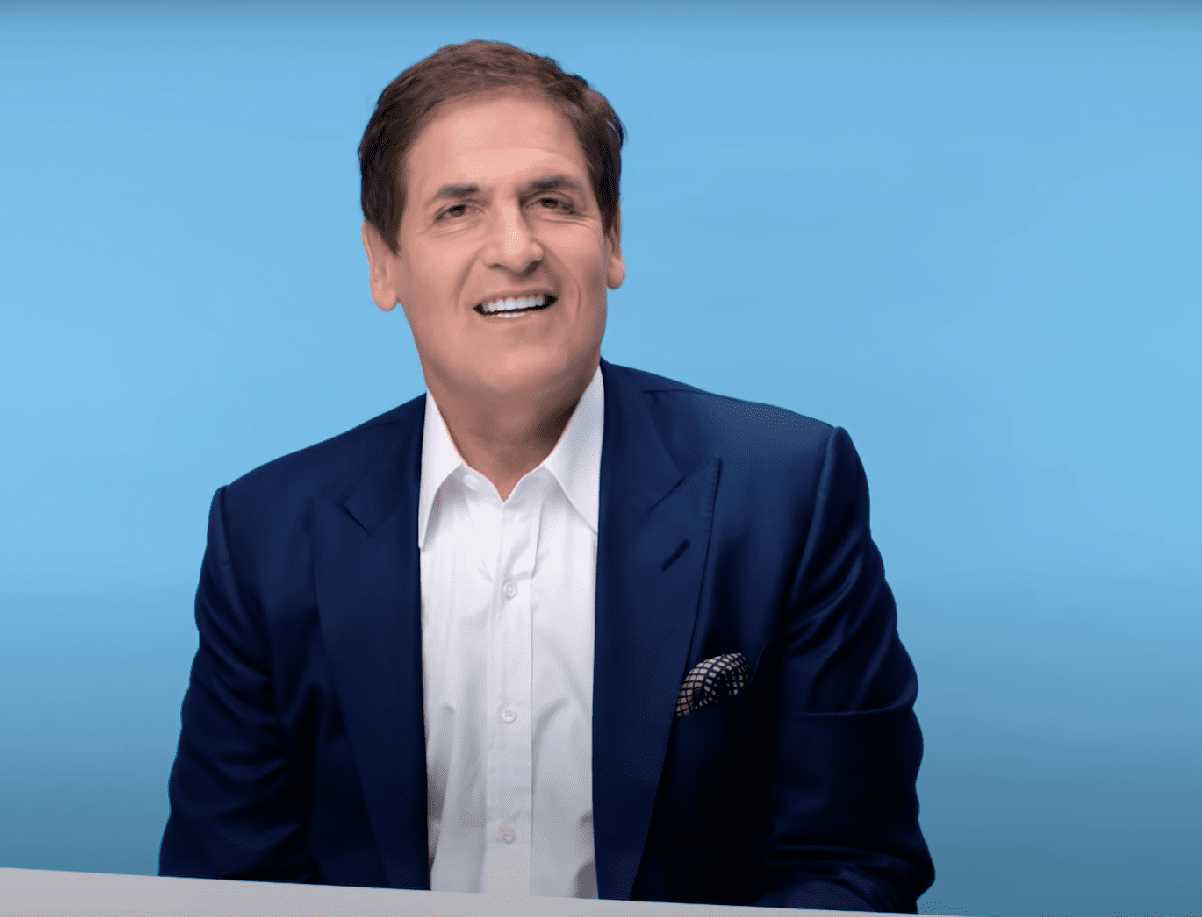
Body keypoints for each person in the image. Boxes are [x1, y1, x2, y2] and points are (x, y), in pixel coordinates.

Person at [158, 39, 934, 912]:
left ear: (612, 240)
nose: (516, 247)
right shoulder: (267, 535)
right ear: (384, 262)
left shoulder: (788, 493)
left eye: (553, 201)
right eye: (458, 209)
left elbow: (851, 864)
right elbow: (228, 886)